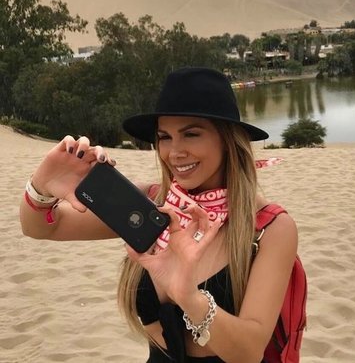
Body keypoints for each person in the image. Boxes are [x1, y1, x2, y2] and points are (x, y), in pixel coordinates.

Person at [19, 67, 299, 363]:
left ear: (228, 140)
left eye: (191, 134)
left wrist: (189, 298)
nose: (174, 152)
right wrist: (42, 186)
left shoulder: (268, 227)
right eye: (165, 137)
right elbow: (41, 228)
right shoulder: (151, 204)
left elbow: (249, 352)